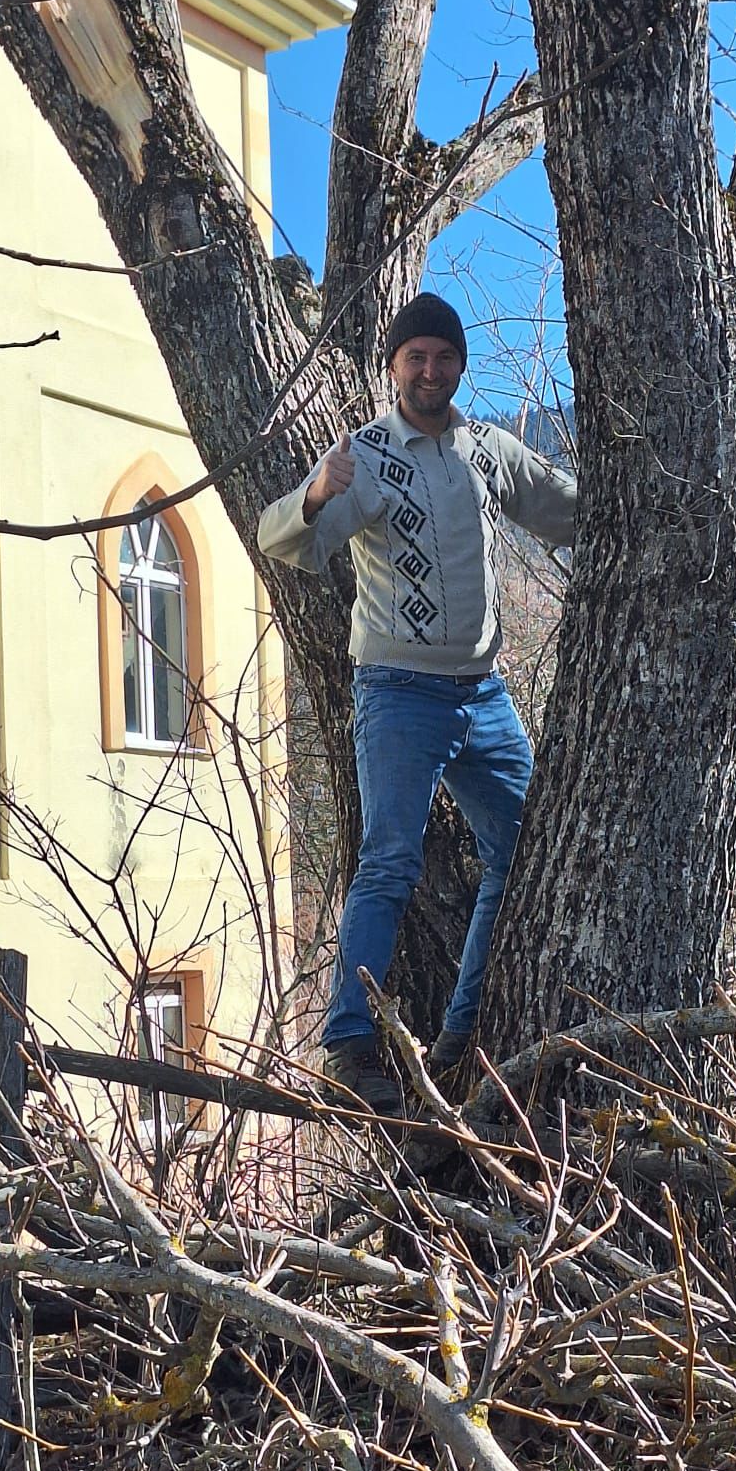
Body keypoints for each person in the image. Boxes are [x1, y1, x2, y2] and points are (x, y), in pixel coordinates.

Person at [257, 292, 577, 1115]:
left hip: (483, 691)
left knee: (524, 848)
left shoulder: (486, 449)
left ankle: (461, 1032)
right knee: (390, 862)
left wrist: (653, 501)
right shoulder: (366, 457)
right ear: (394, 368)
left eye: (442, 357)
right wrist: (316, 496)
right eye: (415, 358)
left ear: (459, 365)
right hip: (399, 691)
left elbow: (563, 508)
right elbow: (283, 542)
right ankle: (348, 1045)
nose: (430, 371)